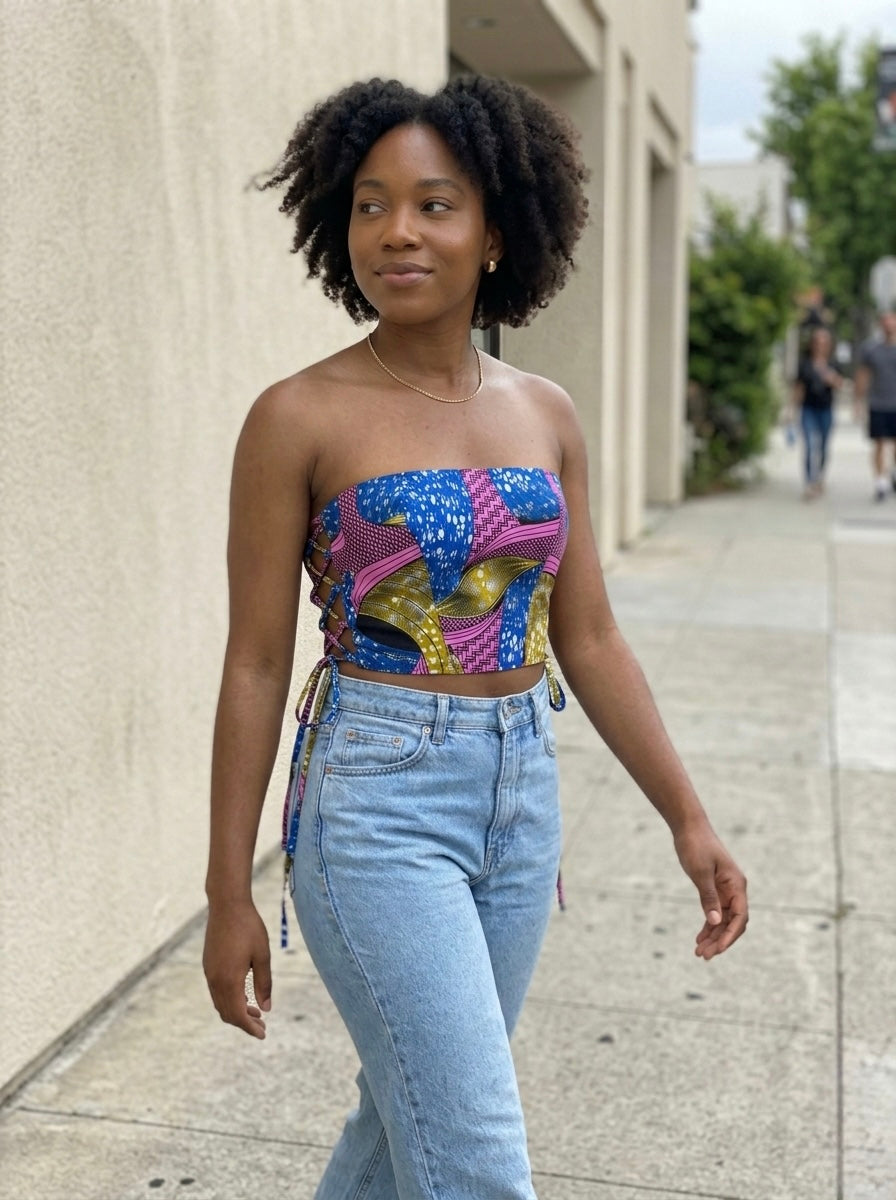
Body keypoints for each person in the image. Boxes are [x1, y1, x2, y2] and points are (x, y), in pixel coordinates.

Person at [202, 75, 749, 1200]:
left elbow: (585, 634)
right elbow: (255, 661)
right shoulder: (296, 416)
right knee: (476, 1164)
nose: (395, 230)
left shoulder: (543, 411)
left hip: (516, 798)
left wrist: (685, 818)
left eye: (433, 203)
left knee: (405, 1117)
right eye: (368, 203)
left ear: (496, 229)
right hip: (373, 800)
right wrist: (226, 890)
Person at [791, 326, 843, 499]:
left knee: (823, 446)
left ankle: (819, 476)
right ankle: (809, 482)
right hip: (808, 408)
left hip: (826, 409)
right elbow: (798, 387)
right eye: (817, 342)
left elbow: (840, 384)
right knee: (809, 445)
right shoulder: (805, 363)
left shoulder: (833, 363)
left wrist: (830, 377)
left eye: (824, 342)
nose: (820, 345)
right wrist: (791, 410)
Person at [855, 310, 896, 501]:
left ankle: (892, 473)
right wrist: (858, 401)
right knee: (879, 442)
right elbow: (863, 375)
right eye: (885, 322)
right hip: (878, 402)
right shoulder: (871, 349)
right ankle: (880, 481)